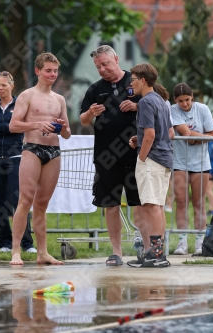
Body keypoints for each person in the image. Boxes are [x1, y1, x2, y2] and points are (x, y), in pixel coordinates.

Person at [79, 45, 143, 266]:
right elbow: (83, 120)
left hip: (135, 153)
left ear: (116, 59)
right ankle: (116, 252)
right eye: (98, 66)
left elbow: (158, 105)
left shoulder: (137, 82)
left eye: (105, 64)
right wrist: (90, 113)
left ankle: (142, 246)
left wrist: (136, 107)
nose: (102, 69)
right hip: (107, 157)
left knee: (139, 202)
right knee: (110, 204)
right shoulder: (95, 89)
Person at [9, 52, 71, 265]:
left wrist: (63, 128)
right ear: (38, 71)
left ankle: (42, 252)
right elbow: (13, 125)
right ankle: (15, 250)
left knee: (42, 205)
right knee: (25, 200)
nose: (52, 74)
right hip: (32, 149)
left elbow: (67, 133)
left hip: (53, 151)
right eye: (48, 71)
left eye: (55, 71)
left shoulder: (60, 99)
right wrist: (36, 124)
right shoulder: (27, 95)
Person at [0, 71, 37, 254]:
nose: (0, 88)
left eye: (3, 85)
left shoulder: (20, 106)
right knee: (0, 201)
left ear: (11, 86)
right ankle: (4, 242)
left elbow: (19, 128)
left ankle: (27, 243)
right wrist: (6, 129)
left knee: (20, 201)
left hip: (16, 158)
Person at [127, 63, 173, 268]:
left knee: (151, 205)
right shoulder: (161, 101)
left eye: (133, 79)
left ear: (143, 80)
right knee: (158, 206)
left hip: (152, 159)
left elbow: (151, 134)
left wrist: (142, 157)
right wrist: (140, 138)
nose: (131, 83)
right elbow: (163, 132)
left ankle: (155, 253)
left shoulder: (145, 102)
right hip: (164, 158)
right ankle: (158, 251)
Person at [171, 83, 213, 256]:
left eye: (187, 100)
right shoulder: (173, 110)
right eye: (181, 101)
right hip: (179, 161)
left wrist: (206, 138)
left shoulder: (203, 109)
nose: (184, 104)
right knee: (181, 201)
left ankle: (200, 242)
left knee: (199, 202)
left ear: (192, 97)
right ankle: (182, 242)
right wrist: (208, 138)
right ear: (175, 100)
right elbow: (186, 134)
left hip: (200, 163)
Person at [153, 83, 174, 213]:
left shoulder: (161, 104)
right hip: (164, 151)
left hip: (157, 152)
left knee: (155, 201)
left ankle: (169, 203)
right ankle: (167, 203)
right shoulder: (166, 104)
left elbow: (170, 132)